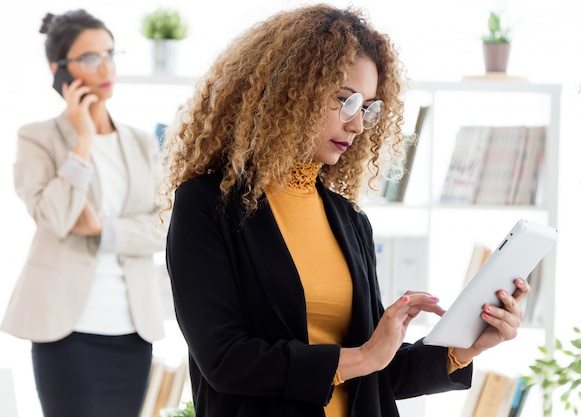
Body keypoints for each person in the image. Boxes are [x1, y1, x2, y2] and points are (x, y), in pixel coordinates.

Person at [162, 4, 529, 417]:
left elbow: (376, 372)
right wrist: (365, 358)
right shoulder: (208, 205)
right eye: (345, 100)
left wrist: (464, 348)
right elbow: (226, 361)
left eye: (368, 107)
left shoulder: (349, 220)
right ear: (290, 90)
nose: (357, 125)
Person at [1, 9, 166, 417]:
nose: (105, 66)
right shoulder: (37, 137)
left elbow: (164, 227)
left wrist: (103, 230)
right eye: (90, 58)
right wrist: (83, 141)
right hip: (67, 333)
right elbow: (55, 217)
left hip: (132, 331)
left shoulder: (143, 143)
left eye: (110, 53)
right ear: (59, 70)